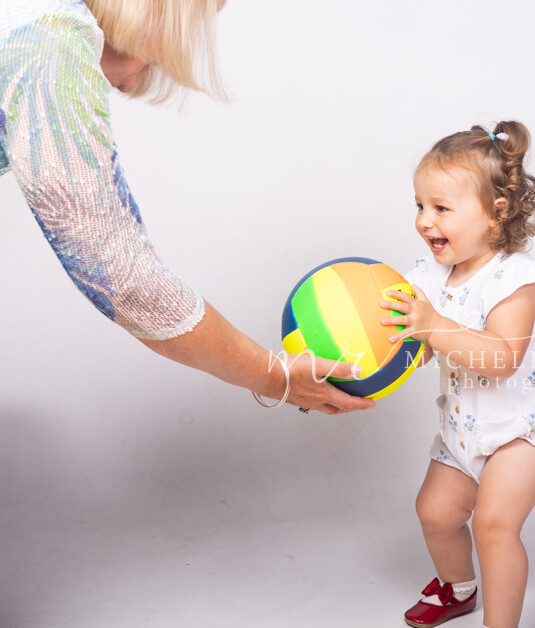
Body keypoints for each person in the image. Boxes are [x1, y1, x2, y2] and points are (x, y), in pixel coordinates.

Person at [0, 0, 374, 415]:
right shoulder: (50, 37)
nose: (129, 85)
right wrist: (275, 376)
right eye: (172, 40)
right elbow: (124, 281)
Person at [380, 121, 535, 628]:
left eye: (441, 207)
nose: (424, 220)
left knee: (493, 524)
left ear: (495, 213)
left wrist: (434, 325)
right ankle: (458, 589)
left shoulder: (518, 280)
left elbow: (501, 358)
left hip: (527, 431)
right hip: (465, 428)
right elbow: (414, 350)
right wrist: (354, 372)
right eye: (419, 205)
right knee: (436, 513)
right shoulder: (428, 277)